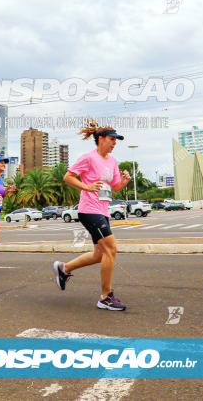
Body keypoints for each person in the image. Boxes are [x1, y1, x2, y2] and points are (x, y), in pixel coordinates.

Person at [52, 121, 132, 311]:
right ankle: (105, 296)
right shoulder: (87, 158)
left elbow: (115, 187)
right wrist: (87, 187)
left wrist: (125, 181)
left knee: (99, 254)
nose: (115, 143)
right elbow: (68, 177)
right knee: (111, 250)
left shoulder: (112, 161)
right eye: (112, 139)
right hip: (88, 210)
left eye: (116, 140)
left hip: (103, 211)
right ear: (101, 139)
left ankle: (64, 268)